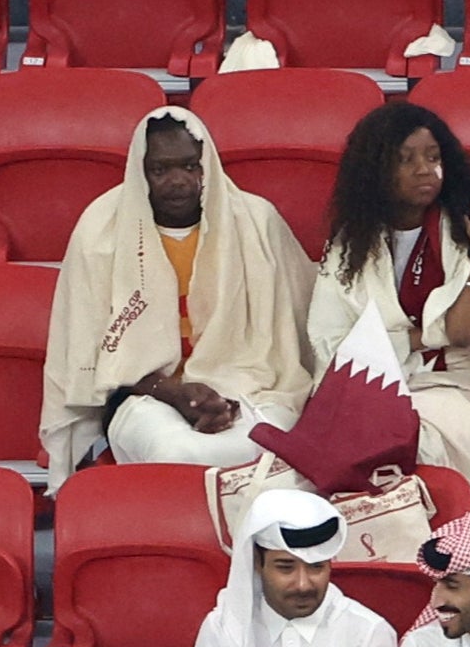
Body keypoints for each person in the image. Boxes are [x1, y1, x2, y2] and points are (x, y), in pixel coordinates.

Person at [47, 111, 314, 474]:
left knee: (271, 449)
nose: (178, 182)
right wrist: (172, 392)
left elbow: (297, 330)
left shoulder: (256, 221)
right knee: (178, 452)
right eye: (160, 170)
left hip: (254, 389)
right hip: (145, 397)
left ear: (207, 166)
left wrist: (225, 392)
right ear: (140, 171)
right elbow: (90, 350)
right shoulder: (101, 231)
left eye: (190, 167)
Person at [314, 105, 470, 483]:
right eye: (406, 160)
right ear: (375, 171)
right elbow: (332, 339)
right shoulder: (351, 244)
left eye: (433, 157)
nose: (424, 169)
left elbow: (461, 332)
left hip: (456, 384)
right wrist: (416, 340)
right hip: (376, 383)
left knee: (404, 433)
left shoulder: (461, 232)